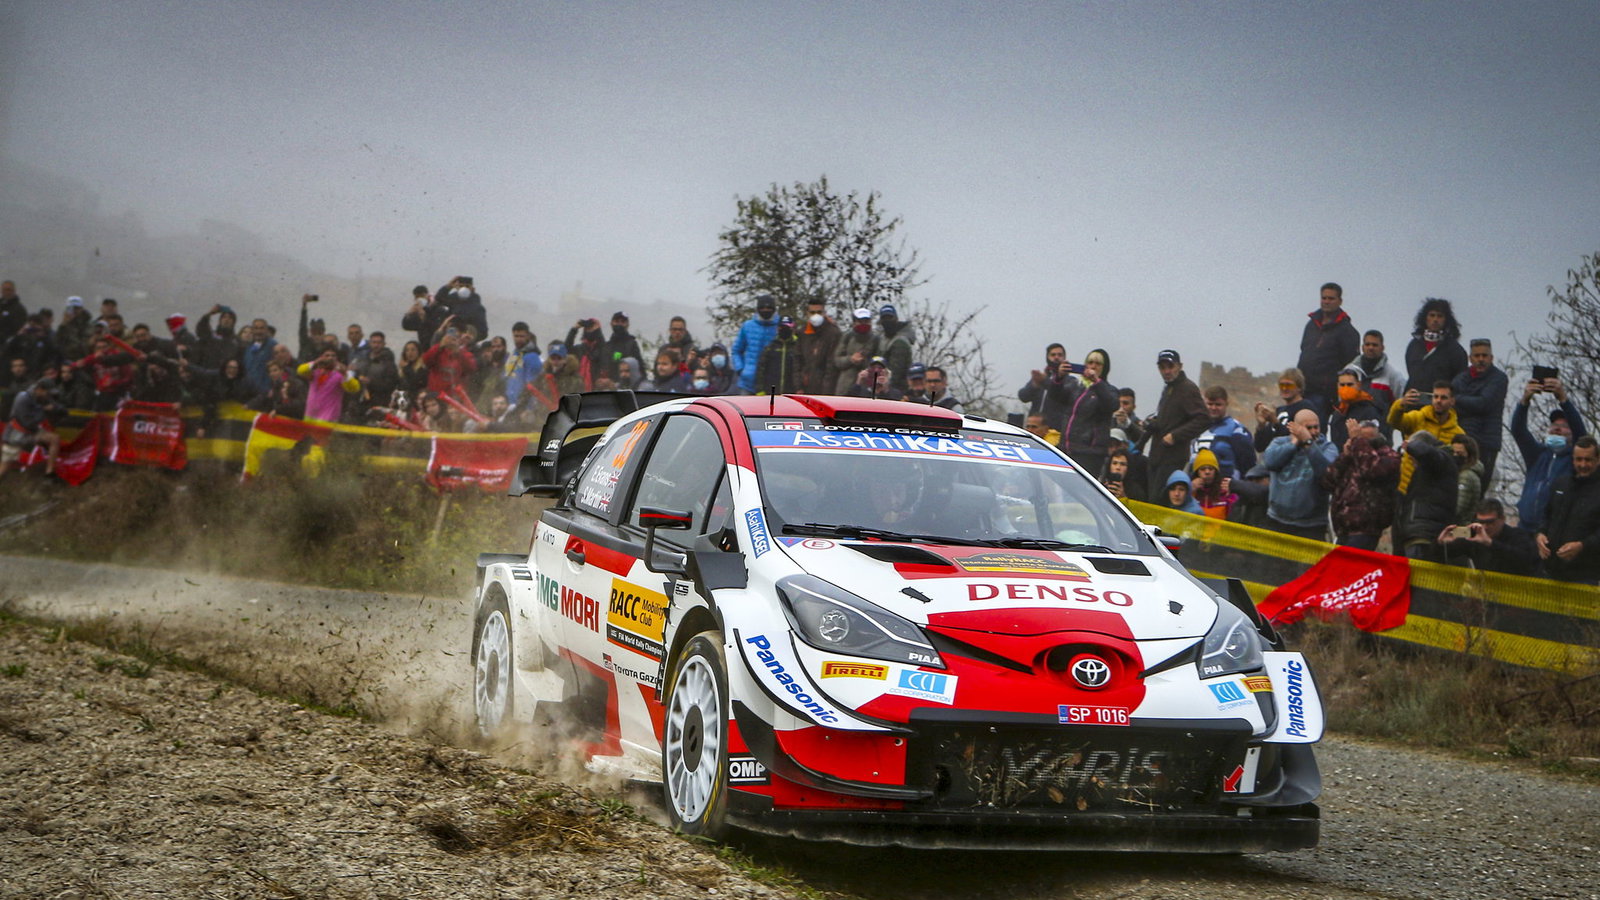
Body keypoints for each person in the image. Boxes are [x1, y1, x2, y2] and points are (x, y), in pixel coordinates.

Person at [1510, 376, 1587, 532]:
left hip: (1553, 531)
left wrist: (1563, 398)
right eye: (1554, 424)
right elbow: (1518, 431)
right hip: (1525, 529)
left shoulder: (1574, 459)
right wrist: (1525, 400)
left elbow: (1580, 433)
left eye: (1564, 426)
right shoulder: (1537, 454)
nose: (1557, 428)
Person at [1321, 418, 1400, 550]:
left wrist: (1357, 441)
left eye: (1365, 440)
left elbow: (1372, 470)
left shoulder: (1389, 457)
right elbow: (1328, 481)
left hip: (1366, 527)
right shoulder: (1353, 455)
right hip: (1342, 527)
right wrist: (1344, 457)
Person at [1262, 408, 1337, 541]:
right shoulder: (1279, 442)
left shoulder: (1328, 447)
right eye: (1308, 428)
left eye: (1316, 427)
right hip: (1277, 520)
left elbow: (1326, 474)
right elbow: (1270, 462)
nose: (1313, 432)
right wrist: (1293, 444)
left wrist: (1309, 444)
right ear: (1295, 428)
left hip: (1311, 525)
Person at [1145, 349, 1210, 497]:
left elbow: (1203, 419)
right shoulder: (1169, 388)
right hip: (1157, 456)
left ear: (1179, 366)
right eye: (1162, 367)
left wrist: (1175, 436)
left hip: (1172, 458)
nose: (1167, 371)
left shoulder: (1187, 388)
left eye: (1170, 366)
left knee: (1161, 501)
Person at [1536, 435, 1600, 585]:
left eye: (1588, 460)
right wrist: (1540, 534)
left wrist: (1582, 545)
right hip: (1549, 570)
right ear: (1573, 460)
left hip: (1584, 574)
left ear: (1597, 460)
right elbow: (1546, 514)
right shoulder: (1560, 484)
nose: (1583, 464)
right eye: (1579, 459)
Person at [1388, 380, 1465, 493]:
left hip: (1433, 489)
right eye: (1436, 397)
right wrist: (1400, 404)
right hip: (1405, 485)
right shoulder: (1418, 417)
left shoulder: (1458, 433)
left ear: (1452, 401)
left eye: (1443, 398)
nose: (1438, 401)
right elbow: (1393, 421)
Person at [1296, 282, 1359, 418]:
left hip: (1325, 394)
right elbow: (1303, 350)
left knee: (1316, 425)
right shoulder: (1311, 324)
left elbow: (1350, 365)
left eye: (1331, 298)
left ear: (1340, 301)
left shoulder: (1348, 331)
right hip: (1303, 389)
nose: (1326, 301)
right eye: (1324, 298)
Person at [1395, 431, 1458, 562]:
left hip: (1425, 534)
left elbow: (1426, 453)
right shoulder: (1424, 472)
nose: (1411, 461)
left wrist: (1411, 445)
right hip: (1417, 533)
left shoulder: (1442, 461)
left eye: (1412, 457)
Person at [1451, 339, 1508, 481]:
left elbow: (1483, 403)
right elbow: (1450, 404)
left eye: (1484, 355)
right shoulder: (1460, 378)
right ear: (1470, 358)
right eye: (1477, 356)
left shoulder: (1499, 378)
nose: (1481, 359)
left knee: (1479, 484)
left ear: (1491, 358)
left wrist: (1458, 399)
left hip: (1486, 442)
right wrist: (1468, 402)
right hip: (1463, 438)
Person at [1439, 498, 1540, 577]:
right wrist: (1441, 544)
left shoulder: (1518, 535)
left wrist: (1490, 543)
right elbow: (1447, 554)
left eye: (1490, 522)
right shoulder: (1474, 536)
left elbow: (1525, 560)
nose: (1485, 527)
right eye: (1481, 522)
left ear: (1502, 519)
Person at [1059, 348, 1117, 475]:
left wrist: (1097, 383)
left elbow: (1111, 405)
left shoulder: (1109, 390)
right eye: (1090, 362)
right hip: (1067, 449)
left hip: (1089, 453)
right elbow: (1056, 397)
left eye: (1098, 364)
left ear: (1104, 368)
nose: (1093, 366)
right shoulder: (1076, 386)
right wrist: (1059, 378)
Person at [1402, 298, 1468, 396]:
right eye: (1432, 315)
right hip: (1414, 400)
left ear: (1446, 320)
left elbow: (1460, 380)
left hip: (1441, 402)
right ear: (1425, 318)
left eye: (1440, 316)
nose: (1435, 319)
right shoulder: (1413, 345)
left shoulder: (1455, 350)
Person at [0, 378, 63, 479]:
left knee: (54, 439)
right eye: (47, 392)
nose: (48, 395)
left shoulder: (40, 397)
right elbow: (28, 422)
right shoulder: (23, 398)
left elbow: (53, 405)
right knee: (3, 469)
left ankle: (50, 473)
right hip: (16, 435)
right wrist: (44, 410)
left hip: (31, 432)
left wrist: (57, 408)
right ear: (40, 389)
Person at [1346, 329, 1406, 432]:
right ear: (1362, 347)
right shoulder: (1349, 371)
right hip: (1352, 428)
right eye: (1367, 344)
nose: (1371, 348)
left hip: (1381, 431)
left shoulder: (1393, 375)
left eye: (1375, 345)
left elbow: (1400, 403)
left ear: (1382, 347)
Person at [1192, 385, 1256, 479]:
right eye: (1210, 404)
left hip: (1228, 484)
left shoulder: (1236, 430)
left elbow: (1248, 465)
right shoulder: (1196, 428)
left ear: (1226, 404)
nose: (1213, 408)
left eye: (1218, 404)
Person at [1253, 368, 1318, 453]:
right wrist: (1261, 425)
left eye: (1289, 385)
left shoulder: (1305, 407)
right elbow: (1260, 447)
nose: (1284, 388)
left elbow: (1301, 439)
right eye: (1281, 385)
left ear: (1299, 387)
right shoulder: (1278, 411)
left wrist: (1275, 422)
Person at [1018, 343, 1072, 433]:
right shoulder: (1040, 377)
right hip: (1034, 428)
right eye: (1053, 355)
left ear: (1064, 358)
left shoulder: (1070, 381)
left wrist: (1044, 381)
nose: (1056, 357)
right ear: (1047, 357)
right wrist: (1034, 385)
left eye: (1059, 355)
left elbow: (1060, 394)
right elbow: (1023, 396)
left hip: (1055, 430)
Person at [731, 295, 780, 394]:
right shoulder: (747, 326)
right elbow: (736, 350)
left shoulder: (780, 327)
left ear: (774, 309)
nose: (765, 310)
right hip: (748, 382)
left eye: (769, 308)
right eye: (762, 308)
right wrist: (740, 369)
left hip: (772, 382)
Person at [1327, 367, 1385, 449]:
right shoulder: (1338, 413)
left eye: (1350, 384)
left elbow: (1377, 444)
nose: (1346, 388)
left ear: (1359, 385)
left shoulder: (1370, 410)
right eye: (1342, 385)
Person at [796, 298, 840, 394]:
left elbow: (831, 364)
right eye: (812, 312)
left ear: (824, 313)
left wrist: (827, 390)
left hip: (826, 388)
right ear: (807, 313)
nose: (816, 315)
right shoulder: (802, 333)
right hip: (806, 386)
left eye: (819, 312)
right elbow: (798, 361)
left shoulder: (833, 333)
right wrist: (798, 386)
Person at [832, 308, 880, 395]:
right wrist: (851, 359)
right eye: (860, 321)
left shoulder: (876, 339)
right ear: (854, 322)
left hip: (866, 387)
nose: (863, 324)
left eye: (866, 321)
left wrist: (864, 361)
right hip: (845, 386)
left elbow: (879, 363)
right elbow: (837, 361)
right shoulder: (847, 337)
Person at [877, 304, 915, 392]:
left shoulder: (900, 342)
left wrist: (884, 388)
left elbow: (896, 372)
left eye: (890, 318)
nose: (887, 321)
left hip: (897, 388)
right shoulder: (882, 338)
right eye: (884, 318)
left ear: (896, 319)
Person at [1189, 448, 1235, 519]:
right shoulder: (1190, 491)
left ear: (1216, 472)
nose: (1207, 472)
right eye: (1203, 469)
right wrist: (1190, 489)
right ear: (1197, 473)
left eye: (1211, 469)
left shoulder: (1225, 492)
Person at [402, 283, 450, 350]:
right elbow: (406, 326)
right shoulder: (417, 311)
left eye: (421, 296)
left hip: (437, 345)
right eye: (417, 297)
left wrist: (424, 317)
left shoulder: (439, 309)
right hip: (424, 345)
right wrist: (409, 313)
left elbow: (436, 327)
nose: (419, 299)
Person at [1451, 434, 1486, 525]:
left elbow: (1457, 508)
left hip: (1459, 528)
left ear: (1469, 455)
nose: (1455, 456)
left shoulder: (1466, 476)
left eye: (1459, 453)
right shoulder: (1463, 473)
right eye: (1453, 452)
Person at [1230, 465, 1273, 531]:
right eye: (1251, 480)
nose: (1253, 483)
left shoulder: (1274, 500)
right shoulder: (1242, 503)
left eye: (1258, 480)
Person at [603, 312, 642, 381]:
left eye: (623, 322)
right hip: (610, 383)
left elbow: (640, 366)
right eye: (617, 321)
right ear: (611, 323)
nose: (619, 324)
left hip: (628, 383)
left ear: (627, 324)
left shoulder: (632, 344)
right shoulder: (607, 346)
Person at [56, 297, 93, 363]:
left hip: (85, 360)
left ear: (81, 309)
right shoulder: (64, 326)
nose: (74, 311)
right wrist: (63, 324)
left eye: (76, 308)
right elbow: (57, 342)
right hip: (68, 361)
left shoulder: (89, 326)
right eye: (71, 308)